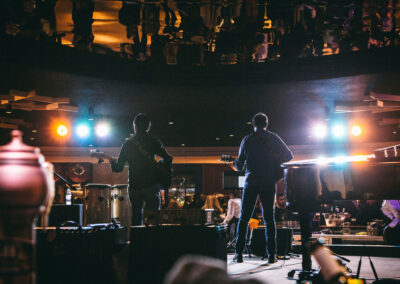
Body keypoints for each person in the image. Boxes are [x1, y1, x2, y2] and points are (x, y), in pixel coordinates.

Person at [233, 112, 293, 263]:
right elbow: (289, 156)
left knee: (244, 218)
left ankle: (238, 254)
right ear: (266, 124)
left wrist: (232, 163)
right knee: (269, 219)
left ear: (253, 124)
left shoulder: (247, 140)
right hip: (268, 182)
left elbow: (239, 166)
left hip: (251, 182)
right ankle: (271, 255)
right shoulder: (274, 138)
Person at [110, 113, 173, 225]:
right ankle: (152, 241)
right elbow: (168, 159)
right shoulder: (154, 141)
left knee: (136, 216)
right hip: (151, 185)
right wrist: (159, 165)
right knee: (153, 217)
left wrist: (111, 161)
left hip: (134, 186)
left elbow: (118, 168)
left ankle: (136, 241)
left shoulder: (127, 144)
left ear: (135, 126)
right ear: (148, 127)